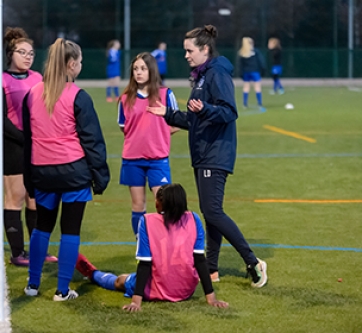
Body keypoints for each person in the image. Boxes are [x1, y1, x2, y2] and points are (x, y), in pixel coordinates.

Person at [146, 25, 268, 288]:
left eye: (190, 50)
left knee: (212, 211)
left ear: (204, 49)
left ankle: (253, 261)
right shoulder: (201, 76)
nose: (186, 55)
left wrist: (207, 109)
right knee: (211, 211)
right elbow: (194, 118)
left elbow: (228, 112)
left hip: (215, 151)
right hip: (203, 152)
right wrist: (167, 113)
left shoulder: (216, 73)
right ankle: (211, 268)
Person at [22, 38, 110, 301]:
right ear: (72, 64)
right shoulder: (78, 96)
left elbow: (28, 140)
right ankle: (62, 290)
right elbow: (92, 141)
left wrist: (29, 178)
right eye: (80, 62)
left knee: (42, 228)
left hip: (42, 172)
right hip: (73, 173)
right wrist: (100, 177)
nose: (80, 66)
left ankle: (32, 285)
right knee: (70, 230)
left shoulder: (32, 94)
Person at [76, 183, 228, 311]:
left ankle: (93, 273)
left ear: (160, 203)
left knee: (120, 281)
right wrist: (211, 298)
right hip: (185, 291)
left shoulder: (147, 221)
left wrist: (136, 301)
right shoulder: (194, 219)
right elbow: (200, 260)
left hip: (155, 290)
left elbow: (145, 264)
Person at [2, 27, 57, 267]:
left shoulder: (38, 78)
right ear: (10, 53)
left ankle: (38, 250)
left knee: (35, 200)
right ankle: (17, 253)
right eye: (22, 52)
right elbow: (0, 119)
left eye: (31, 53)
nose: (27, 56)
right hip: (13, 146)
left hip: (38, 147)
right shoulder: (1, 80)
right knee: (14, 199)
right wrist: (26, 138)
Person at [118, 52, 179, 237]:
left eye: (143, 68)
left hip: (157, 159)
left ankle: (163, 243)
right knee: (138, 205)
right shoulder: (126, 98)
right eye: (135, 69)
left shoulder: (165, 94)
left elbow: (177, 122)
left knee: (162, 204)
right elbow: (124, 127)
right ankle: (142, 245)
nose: (139, 72)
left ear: (151, 70)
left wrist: (158, 134)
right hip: (132, 159)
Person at [238, 37, 266, 112]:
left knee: (246, 87)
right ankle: (259, 103)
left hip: (246, 72)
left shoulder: (242, 52)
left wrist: (241, 73)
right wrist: (263, 71)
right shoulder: (256, 51)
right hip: (255, 71)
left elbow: (240, 65)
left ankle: (245, 103)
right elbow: (261, 62)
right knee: (257, 87)